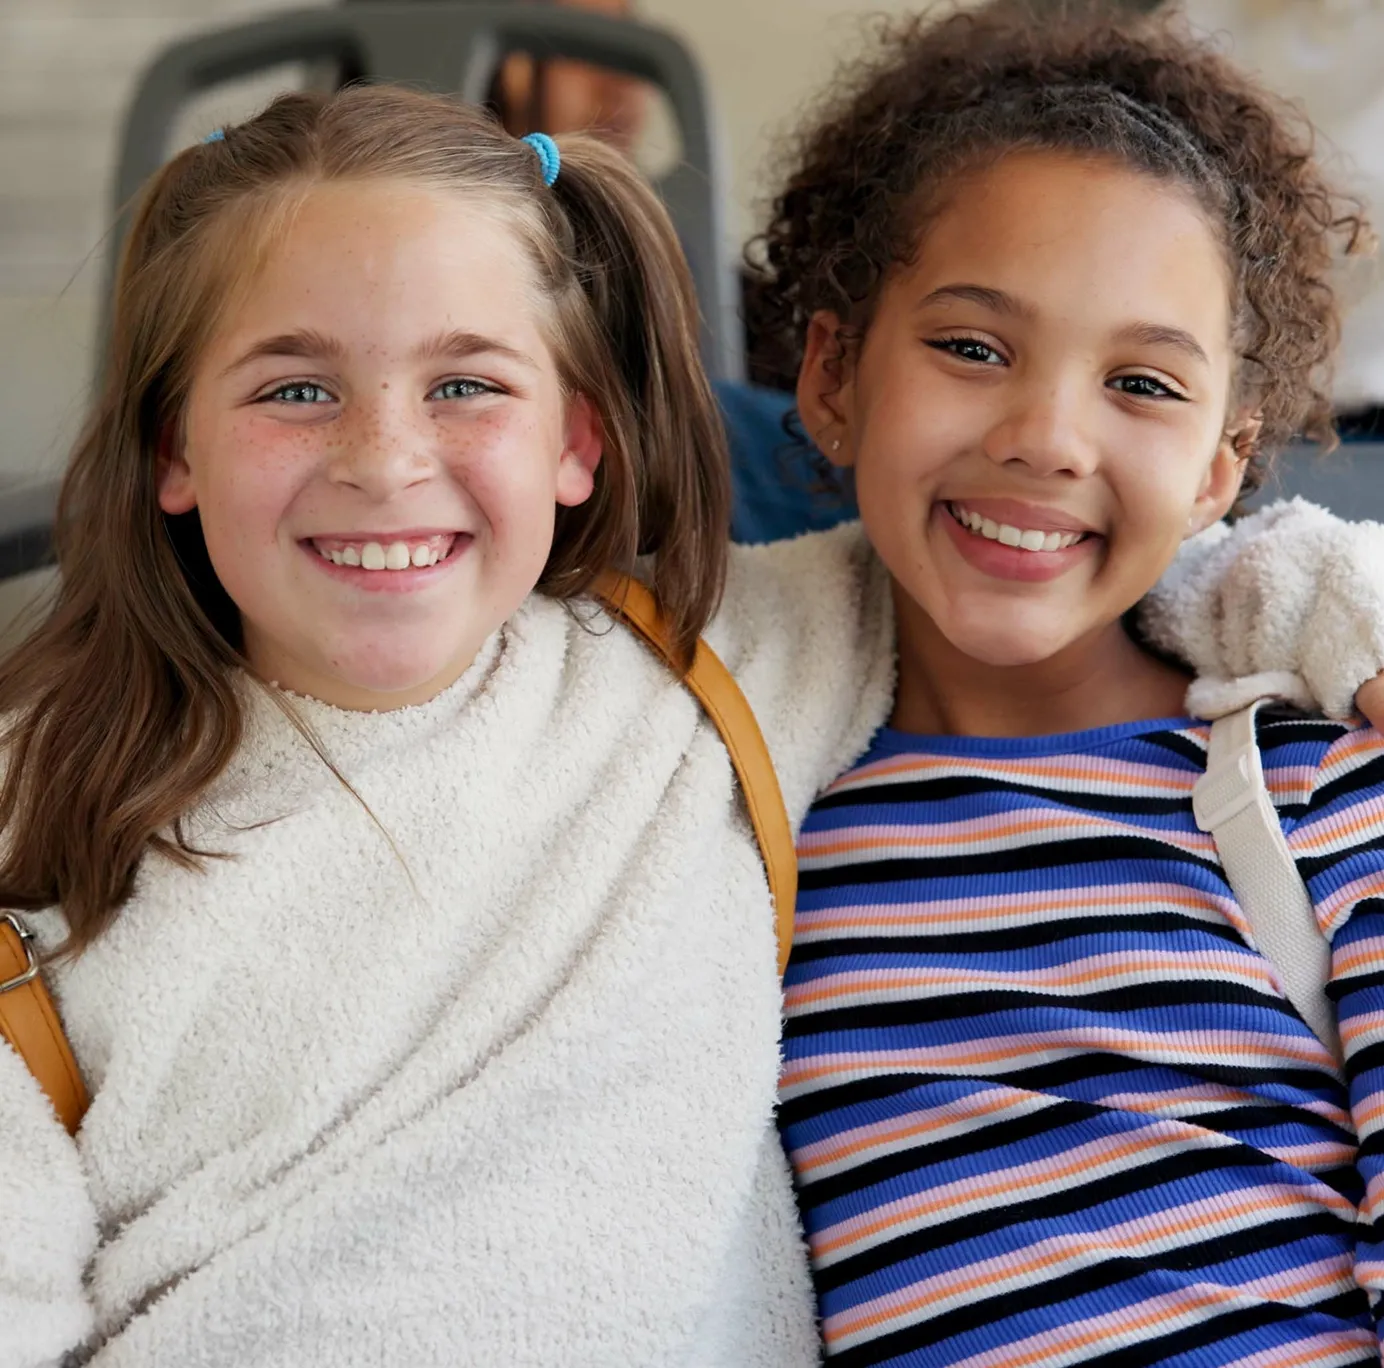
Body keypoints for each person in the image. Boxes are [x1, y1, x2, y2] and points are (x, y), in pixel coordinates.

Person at [3, 74, 1384, 1368]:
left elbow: (1064, 547)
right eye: (294, 389)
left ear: (577, 438)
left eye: (469, 383)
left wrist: (1337, 603)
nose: (384, 457)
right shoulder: (40, 805)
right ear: (171, 445)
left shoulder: (691, 673)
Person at [759, 4, 1384, 1364]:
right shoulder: (739, 838)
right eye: (973, 348)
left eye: (1142, 383)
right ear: (830, 376)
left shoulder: (1319, 785)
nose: (1045, 438)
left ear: (1223, 470)